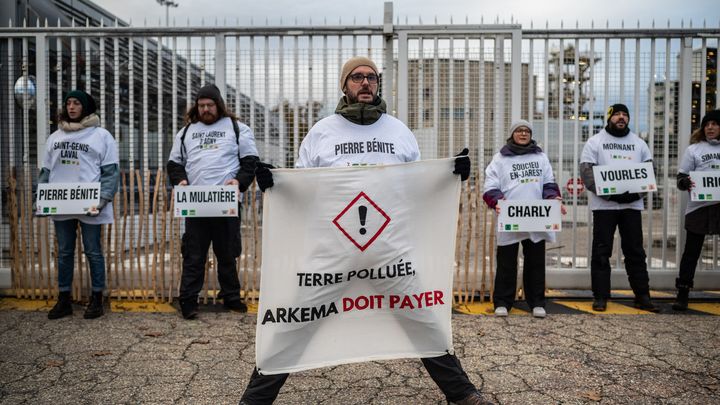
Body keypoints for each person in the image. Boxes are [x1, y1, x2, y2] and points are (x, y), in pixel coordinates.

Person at [242, 57, 489, 405]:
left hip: (388, 250)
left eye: (371, 77)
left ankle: (462, 393)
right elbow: (304, 186)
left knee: (421, 318)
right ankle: (255, 399)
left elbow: (414, 184)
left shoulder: (398, 131)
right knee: (296, 321)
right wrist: (276, 182)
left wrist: (449, 174)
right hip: (333, 249)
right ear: (344, 85)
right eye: (356, 77)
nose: (365, 83)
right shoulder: (322, 132)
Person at [166, 84, 259, 319]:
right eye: (201, 105)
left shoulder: (238, 129)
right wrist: (181, 181)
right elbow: (174, 163)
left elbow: (250, 162)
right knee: (194, 254)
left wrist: (238, 182)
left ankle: (231, 297)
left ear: (219, 105)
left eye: (210, 105)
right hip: (196, 203)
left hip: (226, 203)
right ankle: (188, 300)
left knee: (227, 253)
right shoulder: (186, 131)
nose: (206, 109)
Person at [39, 89, 119, 320]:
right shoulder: (55, 137)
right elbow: (46, 172)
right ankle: (63, 299)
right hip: (61, 204)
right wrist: (42, 197)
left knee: (93, 251)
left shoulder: (101, 135)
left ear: (85, 107)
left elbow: (110, 171)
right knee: (64, 252)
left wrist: (103, 199)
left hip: (90, 204)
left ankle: (97, 298)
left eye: (76, 103)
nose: (72, 107)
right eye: (68, 103)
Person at [580, 103, 658, 312]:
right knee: (601, 251)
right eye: (617, 115)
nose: (621, 118)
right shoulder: (595, 142)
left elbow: (649, 172)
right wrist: (610, 194)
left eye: (625, 114)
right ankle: (601, 296)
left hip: (631, 206)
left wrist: (634, 194)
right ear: (609, 118)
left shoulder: (639, 143)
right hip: (603, 207)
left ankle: (642, 295)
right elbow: (587, 173)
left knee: (635, 251)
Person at [483, 120, 564, 319]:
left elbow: (549, 183)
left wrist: (554, 198)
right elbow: (490, 186)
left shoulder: (540, 157)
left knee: (535, 260)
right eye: (519, 130)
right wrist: (498, 201)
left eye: (527, 131)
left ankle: (536, 302)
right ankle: (502, 302)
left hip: (536, 217)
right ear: (512, 134)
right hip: (510, 216)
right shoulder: (500, 158)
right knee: (506, 261)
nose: (523, 133)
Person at [673, 109, 720, 310]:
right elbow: (680, 179)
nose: (710, 127)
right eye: (707, 124)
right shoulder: (693, 150)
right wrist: (686, 182)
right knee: (691, 252)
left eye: (715, 124)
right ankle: (682, 293)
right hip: (698, 208)